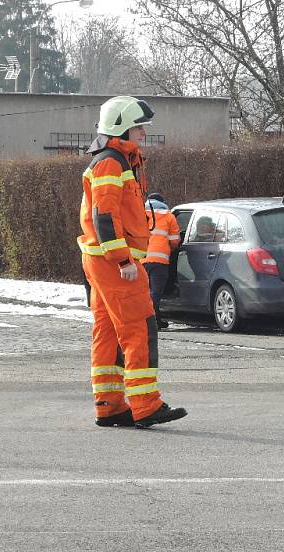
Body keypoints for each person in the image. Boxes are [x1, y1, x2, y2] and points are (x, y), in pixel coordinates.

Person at [78, 96, 187, 429]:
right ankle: (145, 405)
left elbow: (106, 213)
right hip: (114, 262)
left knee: (108, 332)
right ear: (122, 126)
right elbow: (105, 215)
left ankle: (110, 406)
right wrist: (123, 258)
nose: (142, 133)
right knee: (139, 327)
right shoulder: (111, 163)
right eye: (139, 127)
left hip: (101, 261)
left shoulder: (111, 160)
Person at [141, 193, 180, 329]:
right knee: (155, 293)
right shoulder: (168, 216)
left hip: (141, 259)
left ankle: (156, 320)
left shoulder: (140, 214)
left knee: (145, 292)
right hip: (159, 260)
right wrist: (171, 248)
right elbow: (175, 240)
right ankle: (149, 322)